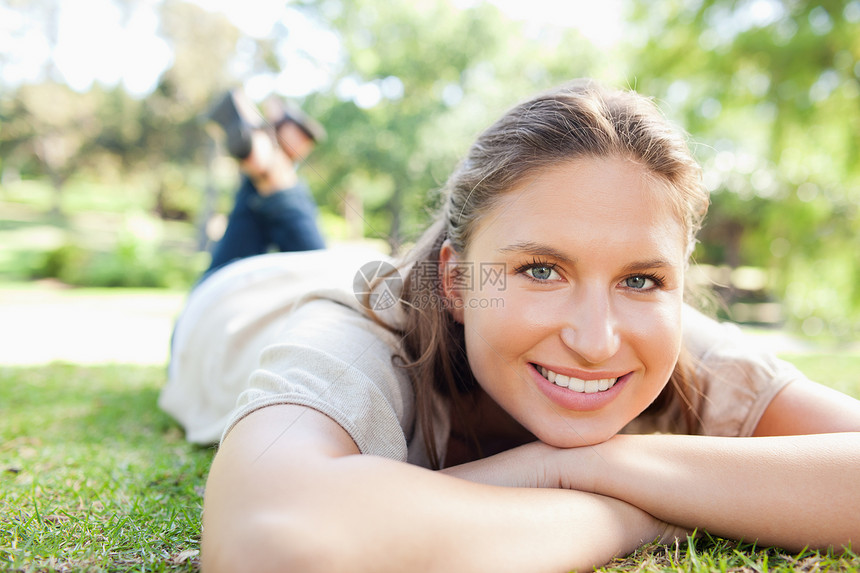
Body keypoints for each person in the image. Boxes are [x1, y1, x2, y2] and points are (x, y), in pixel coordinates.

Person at [161, 79, 860, 572]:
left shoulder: (668, 336)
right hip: (236, 304)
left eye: (641, 278)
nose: (597, 339)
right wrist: (629, 501)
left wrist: (596, 464)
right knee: (281, 251)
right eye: (540, 270)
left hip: (334, 265)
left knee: (290, 220)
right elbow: (272, 542)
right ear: (460, 281)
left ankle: (269, 169)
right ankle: (269, 177)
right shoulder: (356, 329)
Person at [203, 89, 326, 280]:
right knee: (319, 270)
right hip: (273, 191)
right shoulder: (276, 176)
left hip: (268, 198)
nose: (305, 148)